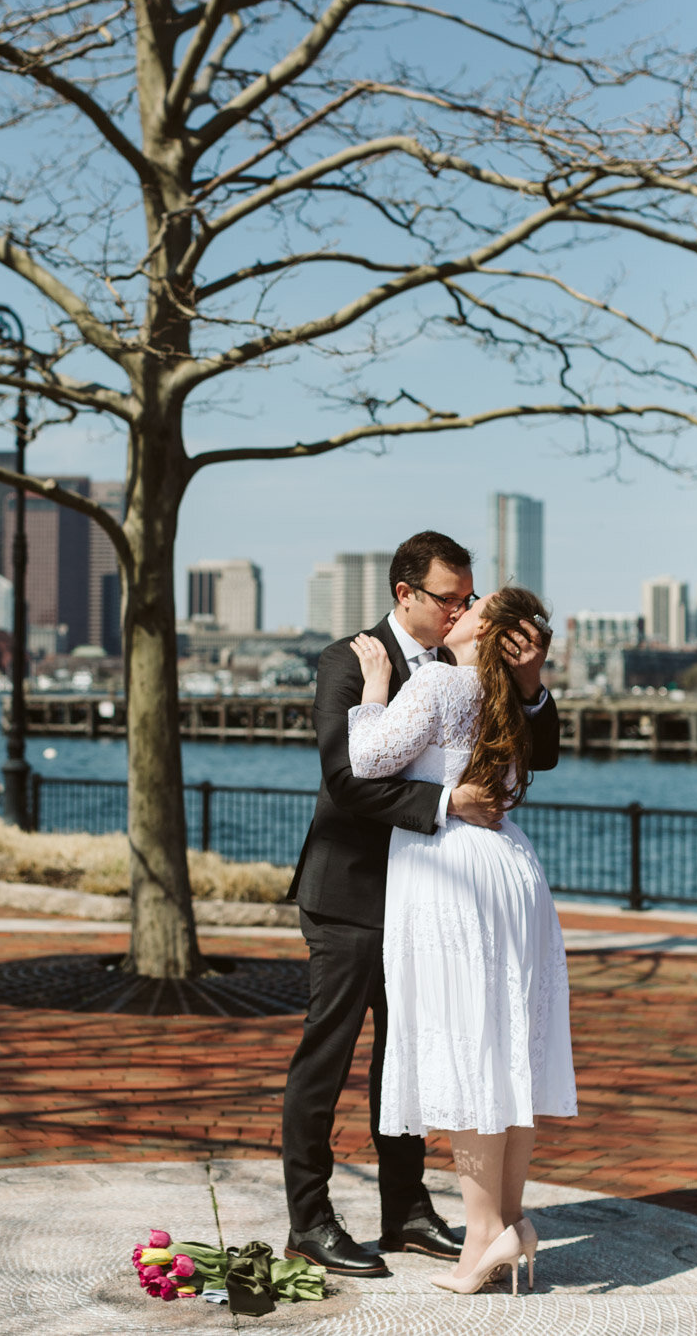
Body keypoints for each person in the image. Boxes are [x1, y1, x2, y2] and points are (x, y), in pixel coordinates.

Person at [282, 532, 559, 1278]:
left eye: (469, 597)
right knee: (329, 1057)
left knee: (406, 1058)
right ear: (406, 594)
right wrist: (446, 802)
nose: (461, 608)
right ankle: (309, 1220)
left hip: (435, 898)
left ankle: (405, 1210)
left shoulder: (472, 668)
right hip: (352, 896)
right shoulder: (351, 659)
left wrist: (531, 684)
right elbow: (346, 776)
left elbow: (547, 750)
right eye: (450, 598)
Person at [348, 586, 577, 1295]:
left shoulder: (440, 681)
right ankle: (509, 1217)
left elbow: (368, 758)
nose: (461, 609)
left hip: (452, 874)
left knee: (470, 1048)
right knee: (507, 1050)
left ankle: (483, 1234)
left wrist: (376, 689)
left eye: (475, 607)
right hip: (511, 868)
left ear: (488, 632)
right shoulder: (506, 694)